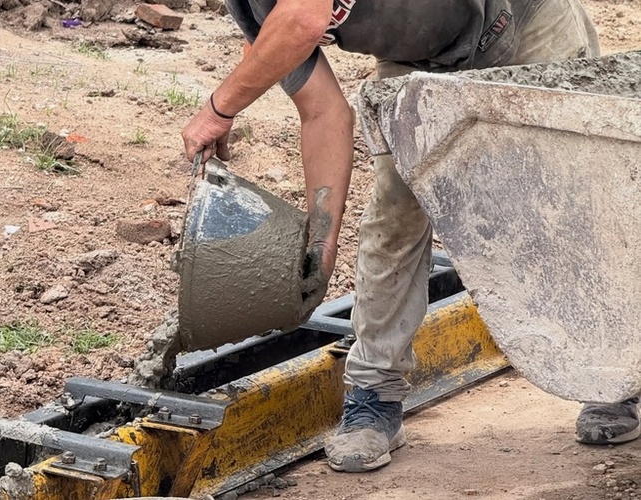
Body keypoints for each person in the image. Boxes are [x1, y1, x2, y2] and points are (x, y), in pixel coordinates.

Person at [181, 0, 641, 473]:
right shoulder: (253, 11)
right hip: (419, 64)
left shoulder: (289, 19)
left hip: (529, 25)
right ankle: (374, 395)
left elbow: (305, 15)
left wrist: (219, 108)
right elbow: (323, 114)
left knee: (573, 208)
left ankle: (615, 377)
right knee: (394, 217)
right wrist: (322, 242)